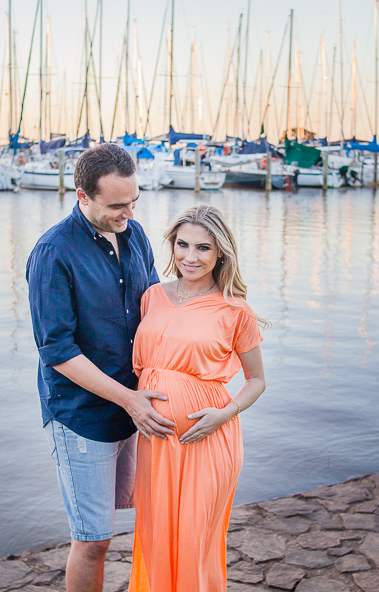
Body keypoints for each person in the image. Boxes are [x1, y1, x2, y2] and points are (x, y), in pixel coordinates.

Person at [26, 144, 177, 592]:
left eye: (133, 201)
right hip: (82, 414)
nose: (127, 212)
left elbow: (153, 305)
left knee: (129, 521)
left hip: (132, 407)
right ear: (82, 196)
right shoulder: (53, 253)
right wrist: (128, 399)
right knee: (92, 541)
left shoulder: (134, 234)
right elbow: (57, 349)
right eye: (116, 205)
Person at [128, 205, 267, 592]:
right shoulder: (152, 296)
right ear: (172, 245)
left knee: (195, 537)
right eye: (182, 245)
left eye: (203, 248)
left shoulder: (235, 310)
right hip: (155, 440)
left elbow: (256, 380)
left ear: (220, 252)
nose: (190, 257)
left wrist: (224, 414)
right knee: (155, 532)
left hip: (206, 438)